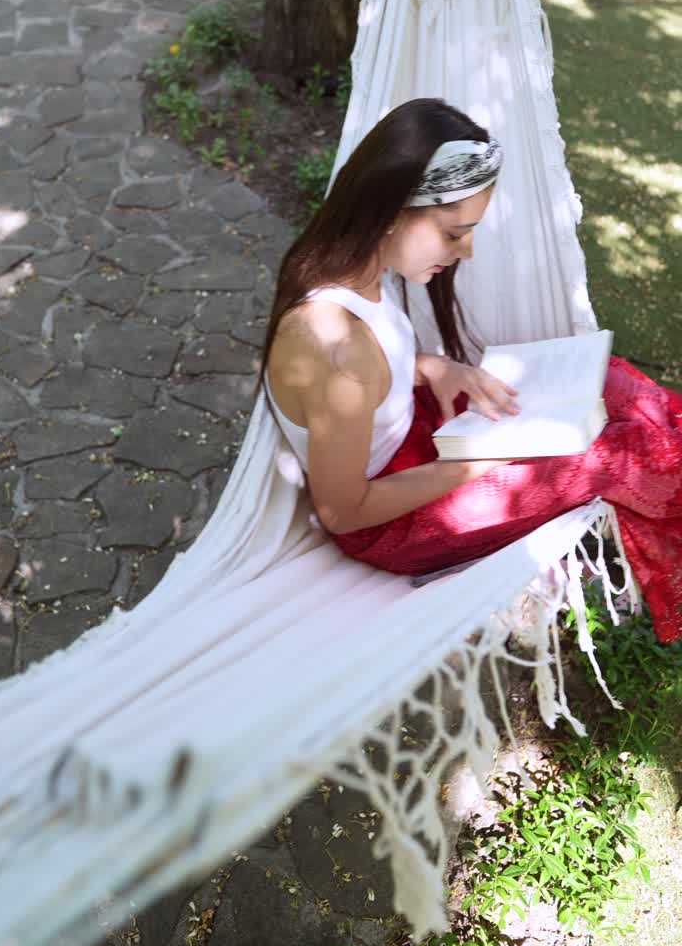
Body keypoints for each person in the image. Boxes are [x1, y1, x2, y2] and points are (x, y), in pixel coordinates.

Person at [258, 99, 682, 644]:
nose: (469, 250)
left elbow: (366, 373)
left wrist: (433, 368)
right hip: (391, 523)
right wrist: (485, 462)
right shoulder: (339, 348)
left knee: (607, 380)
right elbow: (343, 512)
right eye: (455, 233)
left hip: (414, 449)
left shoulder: (347, 277)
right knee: (608, 455)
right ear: (389, 214)